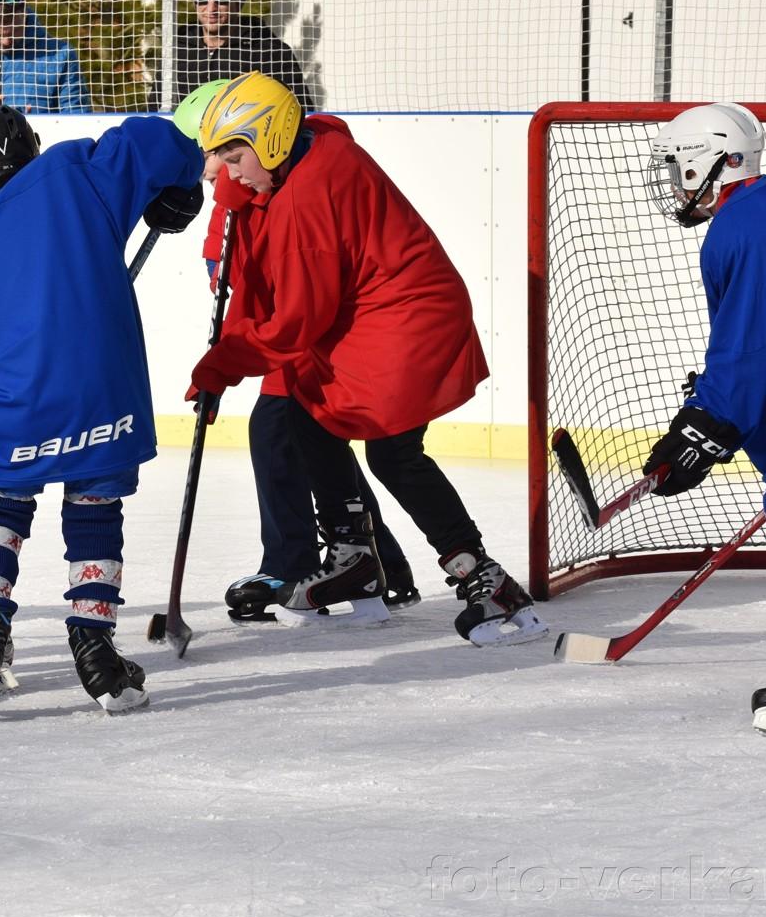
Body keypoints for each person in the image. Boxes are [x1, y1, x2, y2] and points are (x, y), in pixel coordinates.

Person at [184, 73, 543, 647]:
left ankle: (485, 580)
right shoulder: (313, 147)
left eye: (235, 158)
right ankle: (355, 561)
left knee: (394, 455)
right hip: (382, 317)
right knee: (303, 415)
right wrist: (241, 199)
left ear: (270, 138)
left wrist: (219, 368)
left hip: (406, 323)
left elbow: (294, 323)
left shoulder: (304, 203)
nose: (230, 174)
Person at [0, 106, 205, 715]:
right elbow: (161, 136)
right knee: (96, 510)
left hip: (15, 400)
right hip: (105, 393)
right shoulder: (76, 173)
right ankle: (95, 646)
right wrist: (181, 186)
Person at [167, 82, 417, 624]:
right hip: (283, 331)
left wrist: (226, 363)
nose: (203, 168)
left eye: (210, 154)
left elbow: (283, 295)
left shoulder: (271, 187)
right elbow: (242, 289)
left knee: (281, 431)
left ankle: (293, 564)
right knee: (306, 438)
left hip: (303, 333)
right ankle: (380, 564)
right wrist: (223, 361)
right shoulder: (236, 195)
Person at [637, 103, 766, 734]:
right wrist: (712, 415)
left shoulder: (742, 226)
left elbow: (749, 344)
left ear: (710, 163)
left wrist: (708, 423)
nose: (671, 181)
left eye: (676, 165)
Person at [169, 0, 310, 106]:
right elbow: (156, 106)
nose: (211, 8)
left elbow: (301, 109)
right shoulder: (178, 51)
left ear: (238, 1)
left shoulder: (270, 52)